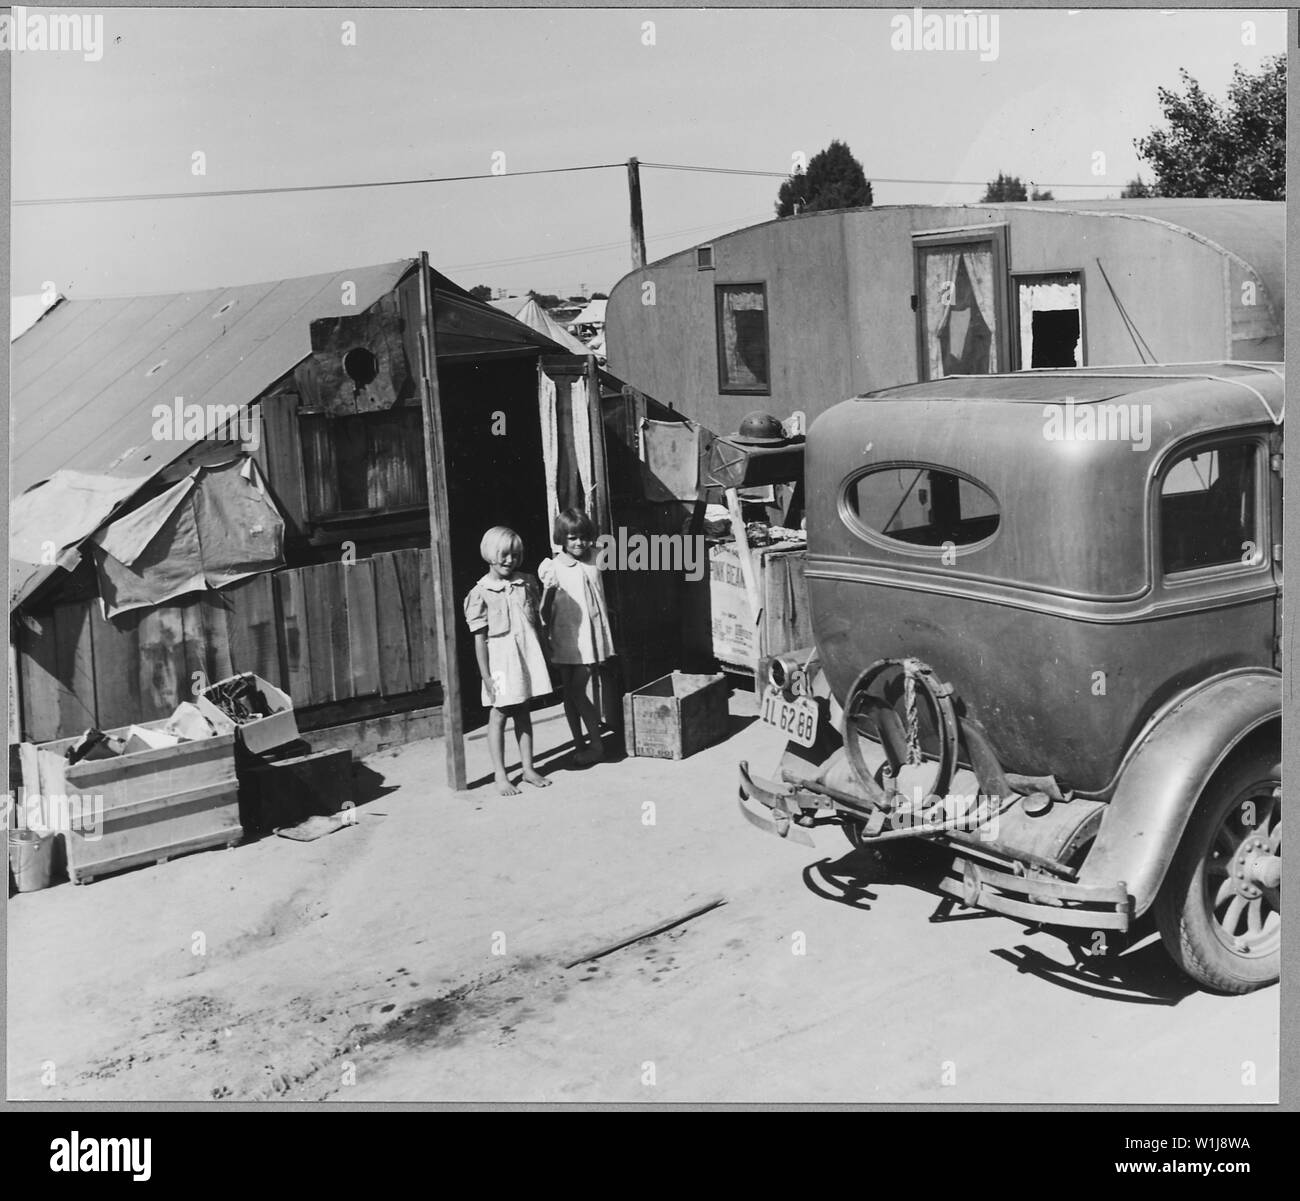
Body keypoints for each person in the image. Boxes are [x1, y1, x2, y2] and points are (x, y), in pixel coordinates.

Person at [463, 526, 553, 795]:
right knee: (499, 713)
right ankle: (500, 775)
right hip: (499, 665)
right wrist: (486, 677)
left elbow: (537, 621)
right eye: (503, 555)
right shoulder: (480, 592)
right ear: (490, 554)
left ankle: (528, 768)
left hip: (524, 657)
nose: (509, 561)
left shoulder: (525, 583)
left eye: (515, 555)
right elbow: (480, 640)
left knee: (524, 710)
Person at [539, 508, 615, 766]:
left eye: (583, 536)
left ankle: (597, 746)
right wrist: (545, 638)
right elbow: (544, 608)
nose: (579, 542)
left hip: (589, 640)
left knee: (577, 691)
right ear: (562, 537)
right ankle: (579, 742)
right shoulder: (552, 567)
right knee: (569, 695)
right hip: (564, 637)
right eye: (572, 537)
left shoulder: (597, 557)